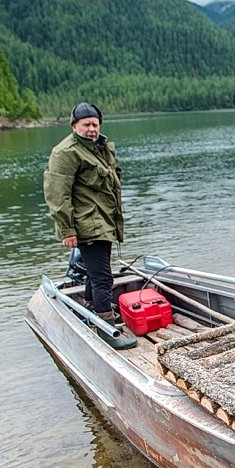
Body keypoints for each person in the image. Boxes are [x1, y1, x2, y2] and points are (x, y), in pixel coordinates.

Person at [43, 101, 136, 350]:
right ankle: (107, 330)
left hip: (103, 221)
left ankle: (91, 313)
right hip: (87, 225)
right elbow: (56, 193)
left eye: (95, 124)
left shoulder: (100, 147)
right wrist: (67, 230)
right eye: (86, 124)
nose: (92, 129)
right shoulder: (65, 152)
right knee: (103, 277)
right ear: (75, 126)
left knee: (96, 274)